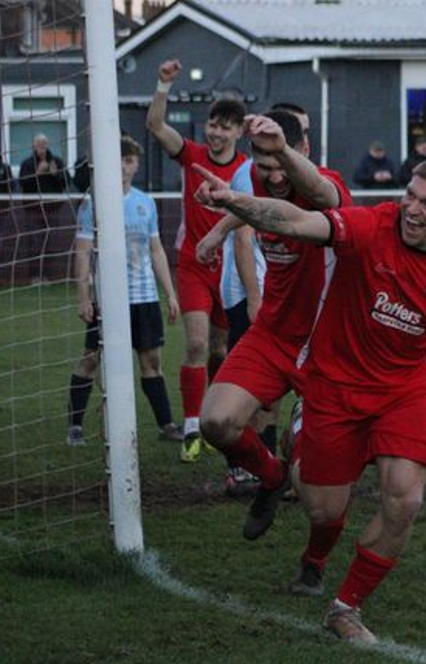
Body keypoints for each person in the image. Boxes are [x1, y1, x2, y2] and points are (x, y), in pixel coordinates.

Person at [192, 156, 426, 644]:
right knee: (322, 509)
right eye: (410, 195)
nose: (412, 209)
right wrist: (237, 205)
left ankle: (345, 607)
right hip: (333, 384)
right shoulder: (369, 225)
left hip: (404, 388)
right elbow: (295, 219)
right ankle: (313, 548)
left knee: (405, 498)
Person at [194, 110, 352, 541]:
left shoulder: (327, 182)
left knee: (316, 492)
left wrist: (279, 152)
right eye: (264, 166)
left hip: (325, 344)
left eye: (281, 163)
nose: (274, 176)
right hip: (274, 332)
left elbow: (317, 197)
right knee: (216, 424)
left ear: (302, 149)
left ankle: (315, 566)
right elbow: (260, 205)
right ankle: (269, 475)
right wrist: (220, 229)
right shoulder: (260, 177)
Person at [147, 58, 248, 462]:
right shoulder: (192, 155)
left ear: (239, 131)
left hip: (233, 274)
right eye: (213, 124)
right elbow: (156, 127)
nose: (217, 132)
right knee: (195, 342)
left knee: (220, 350)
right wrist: (162, 84)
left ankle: (212, 417)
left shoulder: (247, 170)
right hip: (193, 267)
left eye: (226, 126)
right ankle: (191, 427)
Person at [67, 136, 183, 446]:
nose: (123, 165)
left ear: (135, 166)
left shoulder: (145, 202)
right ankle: (75, 426)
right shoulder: (93, 203)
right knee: (91, 359)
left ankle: (167, 424)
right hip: (108, 300)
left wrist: (170, 293)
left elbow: (156, 250)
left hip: (144, 298)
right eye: (118, 158)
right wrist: (83, 297)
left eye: (129, 160)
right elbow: (82, 252)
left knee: (151, 362)